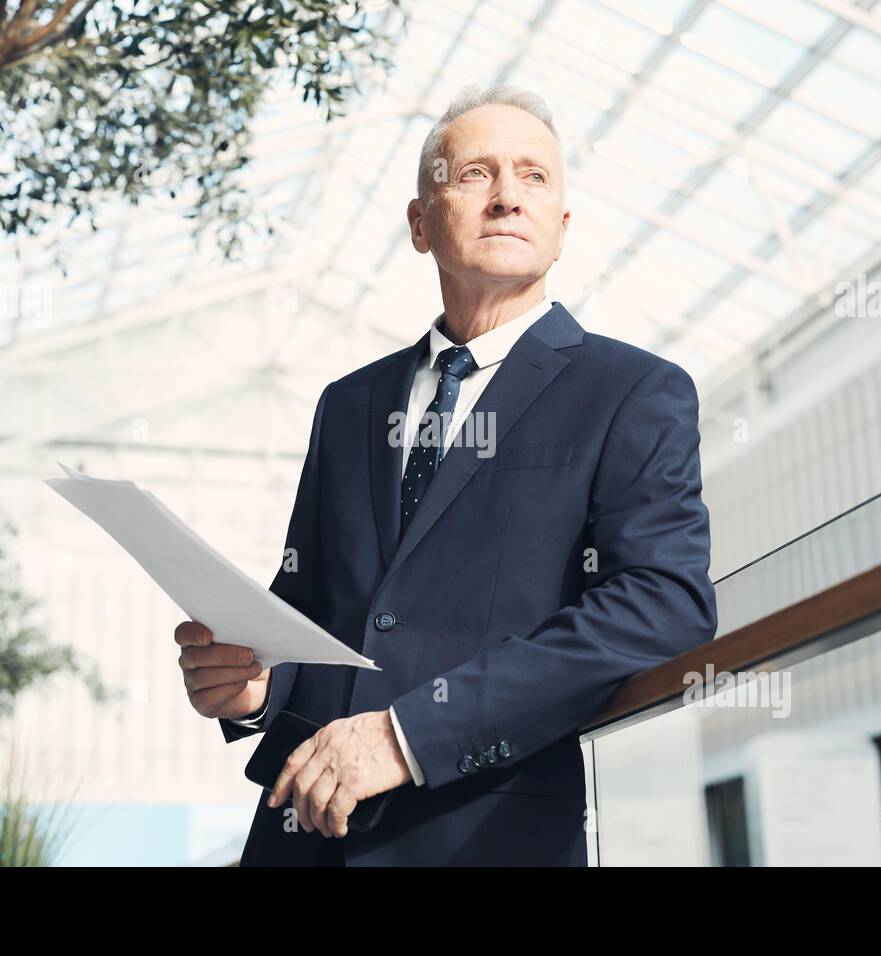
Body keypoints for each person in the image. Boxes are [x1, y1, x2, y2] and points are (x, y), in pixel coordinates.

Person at [175, 83, 717, 866]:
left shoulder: (632, 391)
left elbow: (662, 603)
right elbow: (312, 610)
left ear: (562, 229)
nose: (506, 197)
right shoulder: (349, 403)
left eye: (534, 177)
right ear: (420, 223)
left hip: (484, 837)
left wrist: (409, 735)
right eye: (474, 175)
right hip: (301, 836)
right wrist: (255, 688)